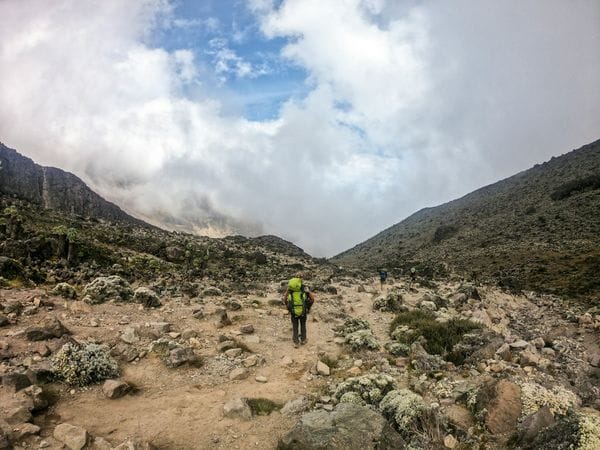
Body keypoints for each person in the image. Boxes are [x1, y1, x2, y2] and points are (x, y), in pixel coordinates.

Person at [282, 274, 315, 348]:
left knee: (295, 326)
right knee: (303, 325)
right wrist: (308, 307)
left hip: (293, 311)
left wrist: (288, 307)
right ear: (301, 279)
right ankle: (303, 340)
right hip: (303, 311)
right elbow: (312, 299)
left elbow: (285, 300)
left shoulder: (291, 289)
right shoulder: (304, 288)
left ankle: (296, 342)